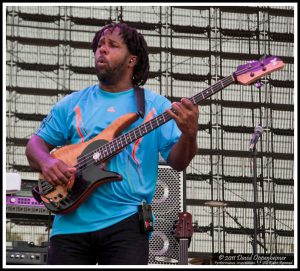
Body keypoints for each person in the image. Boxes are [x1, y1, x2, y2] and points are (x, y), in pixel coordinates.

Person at [25, 22, 199, 265]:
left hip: (126, 223)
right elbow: (35, 145)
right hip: (69, 225)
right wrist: (47, 162)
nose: (101, 50)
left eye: (112, 45)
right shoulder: (72, 103)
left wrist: (189, 134)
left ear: (132, 60)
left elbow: (178, 162)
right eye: (99, 46)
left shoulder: (156, 107)